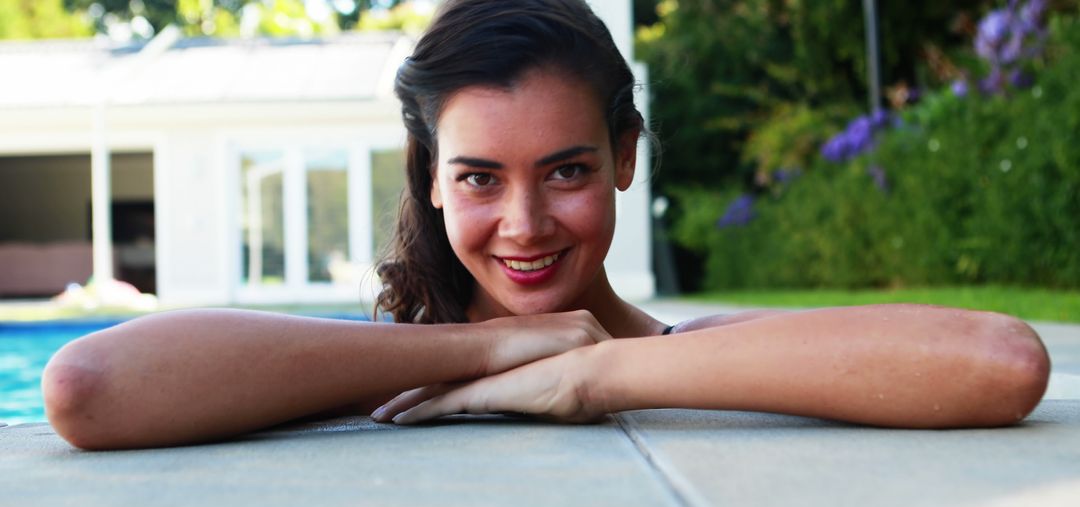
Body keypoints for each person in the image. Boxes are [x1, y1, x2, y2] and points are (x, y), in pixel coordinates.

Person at [42, 0, 1050, 450]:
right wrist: (488, 347)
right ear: (430, 178)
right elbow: (86, 388)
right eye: (480, 178)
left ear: (624, 157)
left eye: (566, 171)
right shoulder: (387, 370)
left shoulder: (684, 357)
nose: (524, 225)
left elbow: (1001, 363)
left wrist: (595, 370)